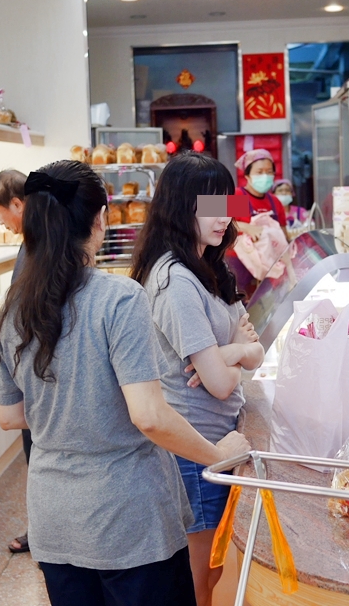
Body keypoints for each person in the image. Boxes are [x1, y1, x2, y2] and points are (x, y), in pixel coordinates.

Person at [0, 160, 250, 606]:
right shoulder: (118, 298)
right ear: (100, 219)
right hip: (128, 516)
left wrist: (68, 407)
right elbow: (149, 415)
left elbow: (9, 416)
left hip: (54, 515)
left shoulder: (12, 310)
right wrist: (217, 455)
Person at [131, 153, 265, 606]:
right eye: (209, 204)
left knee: (213, 571)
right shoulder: (176, 281)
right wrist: (235, 355)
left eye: (224, 202)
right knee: (199, 579)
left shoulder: (208, 268)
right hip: (196, 450)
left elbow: (257, 350)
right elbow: (220, 384)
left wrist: (232, 350)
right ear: (180, 206)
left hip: (218, 443)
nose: (222, 214)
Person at [0, 168, 32, 554]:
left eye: (0, 213)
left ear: (17, 204)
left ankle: (48, 535)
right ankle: (46, 531)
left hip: (35, 376)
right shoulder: (32, 244)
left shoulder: (39, 247)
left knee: (41, 456)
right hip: (32, 371)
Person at [228, 149, 289, 296]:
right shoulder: (238, 196)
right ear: (247, 175)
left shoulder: (274, 202)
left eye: (269, 172)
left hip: (269, 268)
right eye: (259, 171)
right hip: (238, 265)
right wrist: (246, 228)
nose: (265, 176)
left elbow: (283, 236)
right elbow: (204, 215)